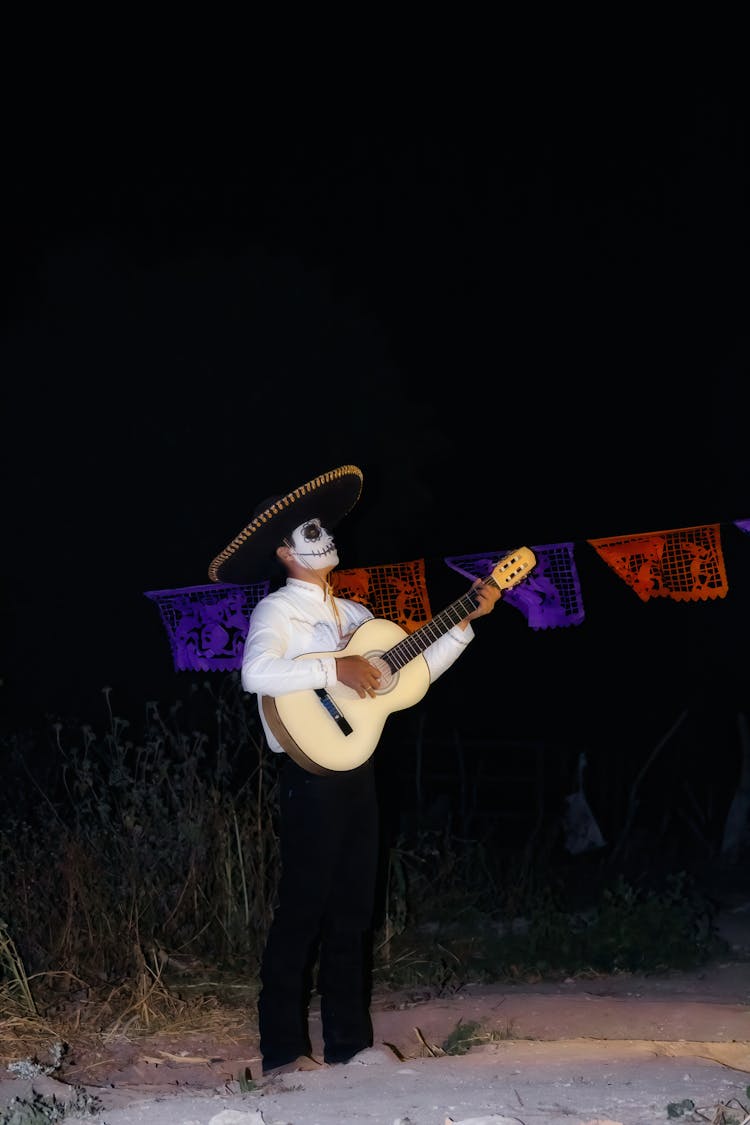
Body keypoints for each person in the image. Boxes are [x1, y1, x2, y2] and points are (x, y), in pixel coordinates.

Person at [208, 464, 502, 1077]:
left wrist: (465, 621)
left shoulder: (359, 614)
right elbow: (255, 674)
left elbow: (409, 678)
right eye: (304, 533)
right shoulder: (277, 613)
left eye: (323, 529)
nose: (321, 537)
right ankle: (283, 1050)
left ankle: (348, 1045)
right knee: (304, 907)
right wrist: (330, 671)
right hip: (308, 774)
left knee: (353, 910)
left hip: (357, 771)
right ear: (285, 553)